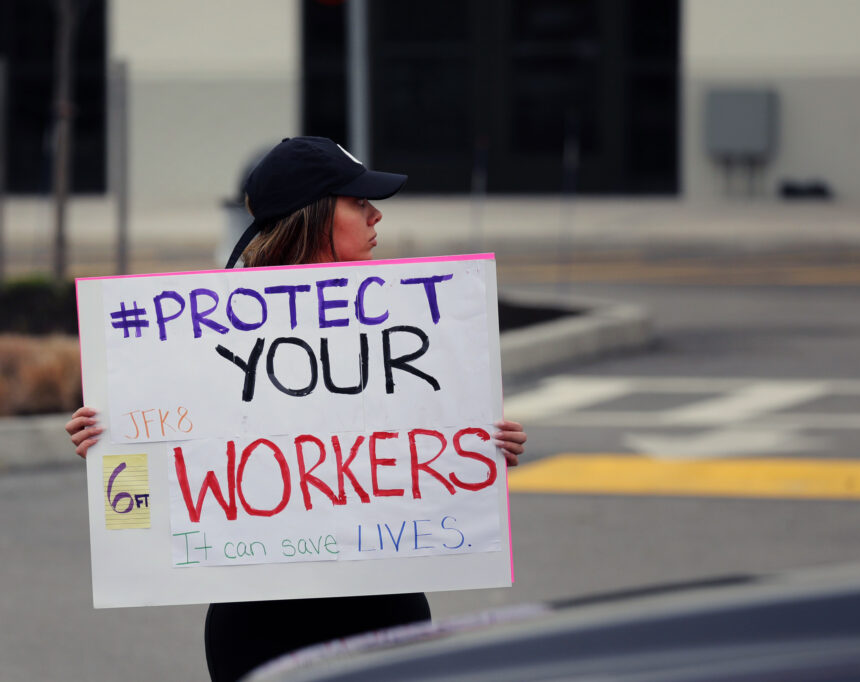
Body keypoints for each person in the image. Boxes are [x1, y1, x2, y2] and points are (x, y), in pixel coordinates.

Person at [65, 136, 527, 682]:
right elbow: (160, 469)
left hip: (384, 608)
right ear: (314, 216)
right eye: (358, 203)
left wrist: (487, 444)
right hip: (259, 623)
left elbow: (422, 447)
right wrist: (109, 440)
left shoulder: (406, 317)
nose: (377, 215)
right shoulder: (200, 333)